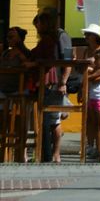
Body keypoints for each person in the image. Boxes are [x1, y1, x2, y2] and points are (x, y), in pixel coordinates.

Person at [26, 12, 73, 163]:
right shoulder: (47, 39)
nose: (37, 27)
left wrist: (63, 82)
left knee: (53, 120)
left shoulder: (61, 37)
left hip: (55, 83)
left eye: (39, 24)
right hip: (48, 83)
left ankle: (54, 154)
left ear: (46, 23)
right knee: (48, 119)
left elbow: (68, 59)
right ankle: (47, 154)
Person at [0, 28, 29, 103]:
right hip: (2, 90)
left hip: (18, 92)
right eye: (7, 37)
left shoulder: (25, 54)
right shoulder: (5, 53)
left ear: (19, 38)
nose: (8, 39)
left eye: (11, 37)